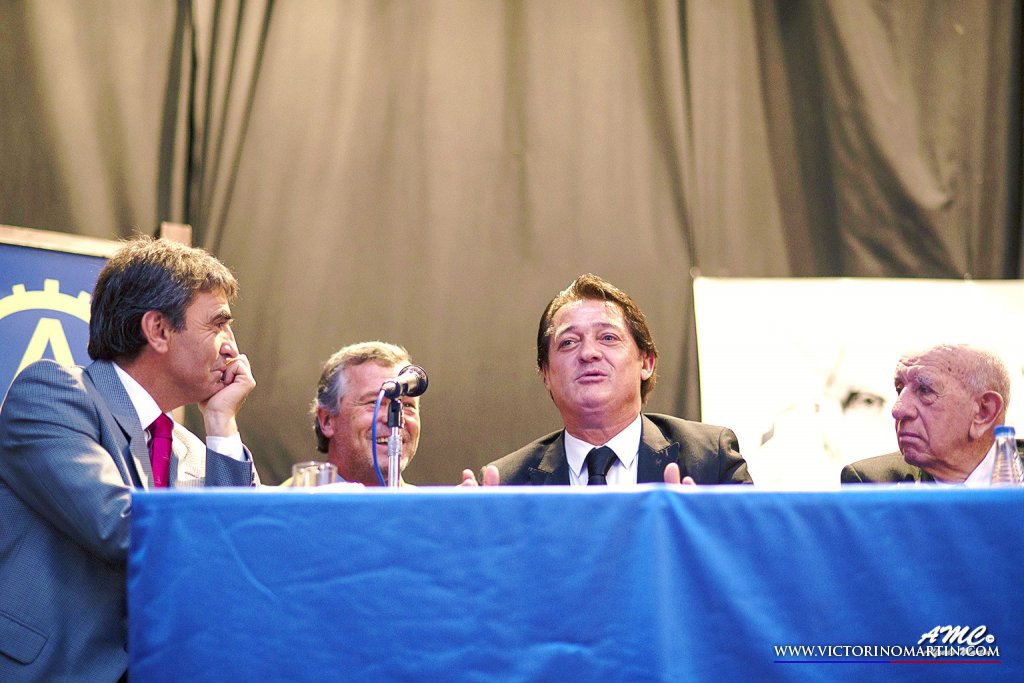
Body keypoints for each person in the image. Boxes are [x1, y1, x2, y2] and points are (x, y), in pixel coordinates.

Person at [0, 236, 259, 681]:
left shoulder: (193, 450)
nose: (232, 348)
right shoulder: (52, 394)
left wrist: (220, 422)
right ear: (157, 330)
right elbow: (118, 526)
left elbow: (234, 566)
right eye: (218, 325)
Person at [462, 273, 750, 486]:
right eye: (569, 342)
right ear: (546, 374)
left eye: (608, 337)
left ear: (646, 363)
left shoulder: (710, 460)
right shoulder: (506, 485)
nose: (589, 353)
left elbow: (753, 549)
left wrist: (693, 531)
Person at [840, 343, 1010, 485]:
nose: (898, 410)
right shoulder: (874, 484)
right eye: (899, 389)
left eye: (925, 390)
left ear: (983, 412)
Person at [283, 341, 420, 487]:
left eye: (407, 405)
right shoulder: (286, 499)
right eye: (374, 402)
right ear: (327, 421)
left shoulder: (428, 502)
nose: (393, 418)